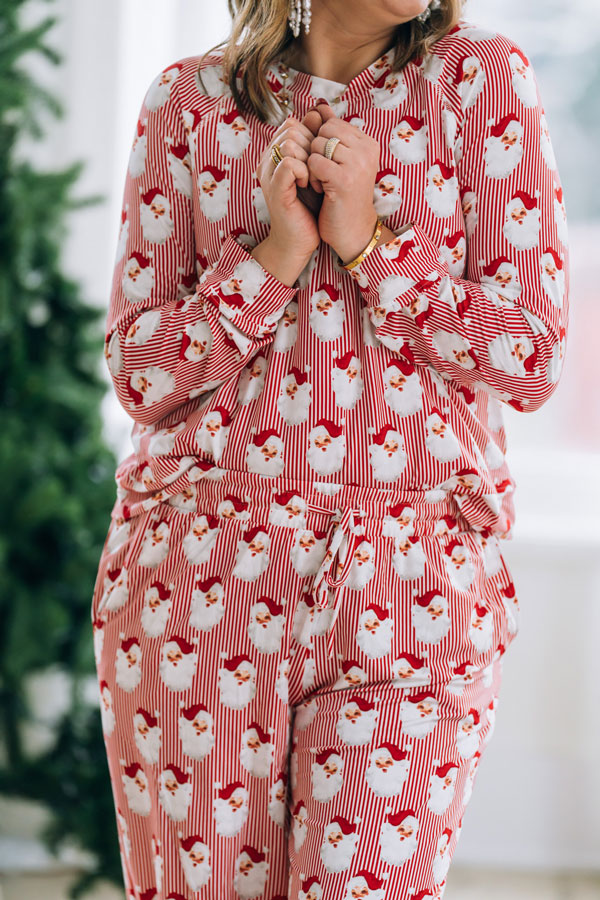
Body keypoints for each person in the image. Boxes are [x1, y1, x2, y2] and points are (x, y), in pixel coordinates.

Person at [91, 0, 570, 896]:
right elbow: (140, 377)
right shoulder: (188, 101)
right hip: (196, 581)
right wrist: (273, 257)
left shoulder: (481, 83)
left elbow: (530, 358)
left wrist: (372, 245)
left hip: (411, 588)